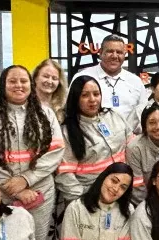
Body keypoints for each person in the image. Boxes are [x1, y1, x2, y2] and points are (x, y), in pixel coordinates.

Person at [0, 65, 65, 240]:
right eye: (13, 81)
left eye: (23, 81)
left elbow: (56, 150)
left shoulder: (45, 113)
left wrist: (26, 179)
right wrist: (15, 188)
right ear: (3, 84)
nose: (19, 85)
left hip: (39, 193)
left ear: (30, 84)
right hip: (1, 192)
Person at [56, 76, 131, 204]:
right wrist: (84, 199)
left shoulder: (113, 116)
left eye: (96, 94)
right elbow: (65, 175)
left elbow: (132, 147)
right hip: (89, 195)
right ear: (76, 98)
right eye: (85, 95)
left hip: (121, 190)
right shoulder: (67, 131)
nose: (92, 100)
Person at [71, 35, 147, 120]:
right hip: (91, 132)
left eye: (119, 52)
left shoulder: (135, 81)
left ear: (124, 55)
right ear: (100, 53)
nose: (114, 56)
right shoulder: (82, 78)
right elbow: (71, 110)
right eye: (110, 51)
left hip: (130, 133)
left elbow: (144, 114)